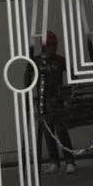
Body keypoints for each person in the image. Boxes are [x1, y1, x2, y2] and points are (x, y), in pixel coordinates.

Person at [36, 32, 76, 175]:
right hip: (44, 101)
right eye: (51, 45)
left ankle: (69, 161)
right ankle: (54, 162)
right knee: (48, 132)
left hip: (58, 101)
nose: (54, 47)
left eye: (55, 45)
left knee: (61, 131)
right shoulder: (37, 61)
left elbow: (73, 74)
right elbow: (28, 78)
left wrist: (69, 94)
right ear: (44, 46)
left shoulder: (59, 60)